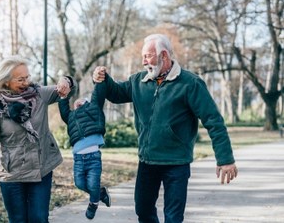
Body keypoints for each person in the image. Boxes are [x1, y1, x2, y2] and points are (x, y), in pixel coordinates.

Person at [92, 34, 238, 223]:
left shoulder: (190, 83)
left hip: (176, 162)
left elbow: (213, 121)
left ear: (164, 55)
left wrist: (225, 159)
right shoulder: (139, 81)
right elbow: (116, 93)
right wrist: (102, 78)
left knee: (173, 217)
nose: (144, 61)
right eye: (143, 56)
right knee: (143, 210)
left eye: (148, 56)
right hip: (147, 161)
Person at [0, 55, 76, 223]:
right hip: (12, 174)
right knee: (18, 220)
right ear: (6, 81)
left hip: (41, 168)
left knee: (39, 218)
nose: (26, 82)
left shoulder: (39, 94)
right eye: (20, 79)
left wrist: (66, 81)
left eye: (27, 77)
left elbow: (66, 89)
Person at [58, 82, 111, 220]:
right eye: (76, 102)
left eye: (82, 100)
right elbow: (64, 109)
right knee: (79, 183)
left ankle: (93, 204)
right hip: (78, 159)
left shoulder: (94, 108)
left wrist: (99, 81)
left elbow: (97, 95)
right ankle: (101, 193)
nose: (79, 101)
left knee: (93, 184)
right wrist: (64, 97)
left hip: (93, 157)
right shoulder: (71, 117)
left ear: (88, 103)